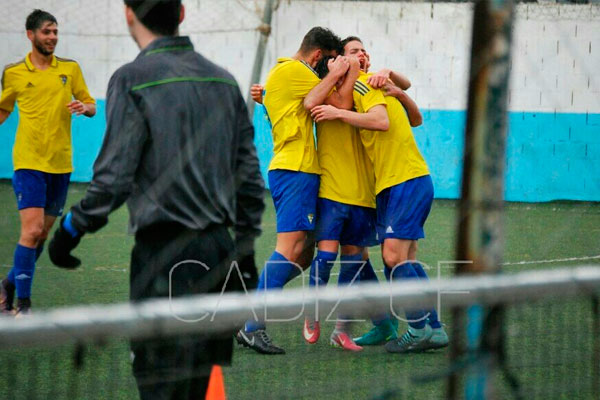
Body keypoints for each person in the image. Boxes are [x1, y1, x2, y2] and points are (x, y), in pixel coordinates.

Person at [47, 1, 265, 398]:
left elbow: (113, 179)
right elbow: (249, 181)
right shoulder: (223, 80)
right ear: (182, 13)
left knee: (160, 386)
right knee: (197, 385)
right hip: (219, 253)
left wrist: (70, 229)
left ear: (129, 14)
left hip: (164, 258)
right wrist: (245, 256)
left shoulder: (132, 78)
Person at [311, 36, 449, 353]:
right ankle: (433, 329)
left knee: (392, 257)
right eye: (352, 51)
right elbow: (415, 118)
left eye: (363, 50)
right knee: (400, 261)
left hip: (405, 180)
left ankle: (416, 330)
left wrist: (338, 114)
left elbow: (382, 121)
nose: (361, 54)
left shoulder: (365, 85)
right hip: (389, 186)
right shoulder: (368, 86)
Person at [236, 27, 354, 355]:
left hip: (294, 169)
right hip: (295, 170)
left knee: (303, 256)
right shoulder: (297, 71)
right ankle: (252, 325)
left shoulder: (282, 72)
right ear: (318, 56)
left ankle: (250, 310)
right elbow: (339, 100)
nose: (327, 68)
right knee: (290, 249)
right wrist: (343, 70)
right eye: (327, 61)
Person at [0, 9, 96, 316]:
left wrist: (85, 106)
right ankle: (23, 307)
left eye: (55, 32)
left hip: (61, 165)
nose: (52, 37)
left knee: (41, 235)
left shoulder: (70, 68)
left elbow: (91, 106)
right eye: (46, 32)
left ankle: (8, 285)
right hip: (28, 163)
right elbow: (3, 110)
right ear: (31, 35)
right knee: (32, 230)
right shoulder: (14, 73)